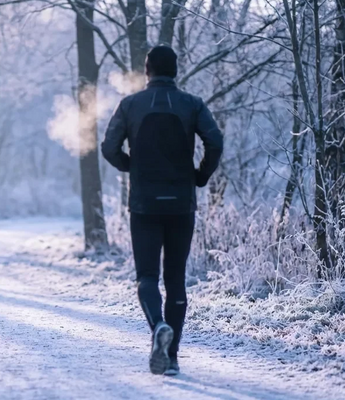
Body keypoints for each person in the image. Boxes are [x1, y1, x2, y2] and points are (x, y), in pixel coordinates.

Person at [101, 46, 224, 376]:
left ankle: (157, 326)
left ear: (147, 71)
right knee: (176, 280)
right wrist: (200, 176)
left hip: (143, 204)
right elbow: (216, 142)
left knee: (147, 277)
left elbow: (108, 147)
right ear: (176, 70)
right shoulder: (192, 104)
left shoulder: (130, 105)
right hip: (182, 203)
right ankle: (171, 358)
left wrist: (133, 167)